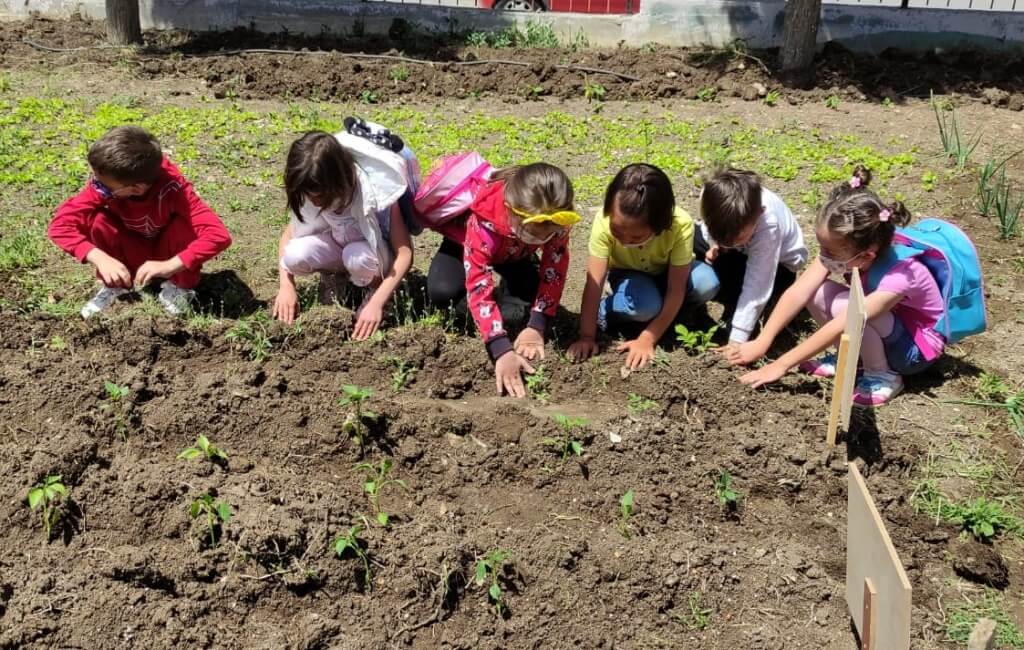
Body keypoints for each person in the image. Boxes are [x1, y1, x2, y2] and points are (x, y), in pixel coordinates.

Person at [723, 166, 945, 406]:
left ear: (866, 256)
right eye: (821, 246)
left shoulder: (901, 273)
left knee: (847, 308)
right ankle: (852, 359)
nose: (823, 255)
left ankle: (882, 374)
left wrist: (781, 365)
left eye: (829, 250)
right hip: (887, 327)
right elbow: (800, 292)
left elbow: (848, 320)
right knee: (817, 292)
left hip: (912, 351)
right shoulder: (849, 250)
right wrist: (762, 341)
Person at [425, 162, 578, 398]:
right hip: (467, 245)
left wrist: (537, 325)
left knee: (528, 306)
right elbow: (478, 285)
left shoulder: (556, 221)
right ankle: (496, 312)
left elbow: (555, 268)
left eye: (546, 236)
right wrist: (501, 349)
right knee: (442, 292)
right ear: (509, 209)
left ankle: (510, 297)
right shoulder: (483, 218)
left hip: (518, 254)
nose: (542, 239)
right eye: (534, 233)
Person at [47, 126, 232, 318]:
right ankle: (116, 285)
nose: (96, 187)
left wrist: (170, 265)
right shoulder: (108, 181)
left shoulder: (175, 191)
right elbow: (60, 226)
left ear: (136, 189)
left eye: (104, 187)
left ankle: (179, 287)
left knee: (183, 225)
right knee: (98, 219)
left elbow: (219, 235)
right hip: (131, 249)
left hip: (168, 254)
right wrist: (99, 257)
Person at [271, 122, 418, 341]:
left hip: (374, 255)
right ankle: (337, 280)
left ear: (337, 182)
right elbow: (287, 236)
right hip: (340, 245)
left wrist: (378, 302)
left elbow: (405, 252)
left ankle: (374, 290)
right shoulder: (311, 187)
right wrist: (286, 286)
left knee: (356, 256)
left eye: (318, 196)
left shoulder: (374, 191)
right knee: (294, 255)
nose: (313, 201)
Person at [567, 163, 719, 369]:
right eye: (617, 232)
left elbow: (676, 288)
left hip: (668, 273)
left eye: (636, 236)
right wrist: (586, 335)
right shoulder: (602, 223)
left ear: (660, 225)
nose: (625, 241)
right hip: (628, 275)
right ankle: (607, 310)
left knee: (706, 282)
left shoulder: (679, 224)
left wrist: (647, 338)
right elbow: (594, 284)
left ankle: (676, 314)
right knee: (644, 306)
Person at [694, 168, 808, 352]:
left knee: (744, 321)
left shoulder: (768, 226)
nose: (727, 242)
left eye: (736, 238)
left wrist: (737, 340)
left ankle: (762, 303)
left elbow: (757, 284)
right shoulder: (711, 194)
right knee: (693, 237)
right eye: (722, 236)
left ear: (759, 214)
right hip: (741, 253)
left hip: (779, 267)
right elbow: (706, 224)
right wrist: (714, 242)